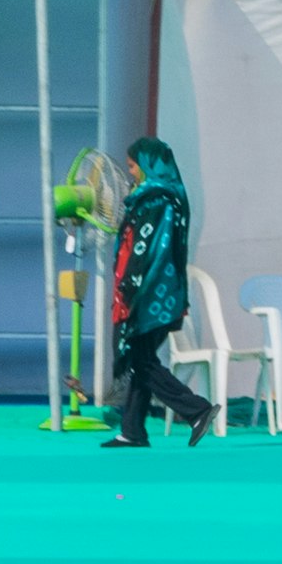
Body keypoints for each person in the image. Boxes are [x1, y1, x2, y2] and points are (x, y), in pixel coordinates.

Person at [107, 135, 211, 448]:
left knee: (140, 360)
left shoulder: (156, 200)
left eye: (133, 166)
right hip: (166, 295)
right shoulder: (170, 198)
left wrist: (130, 287)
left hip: (150, 296)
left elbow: (147, 249)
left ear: (150, 165)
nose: (131, 173)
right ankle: (133, 430)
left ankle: (196, 410)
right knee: (142, 359)